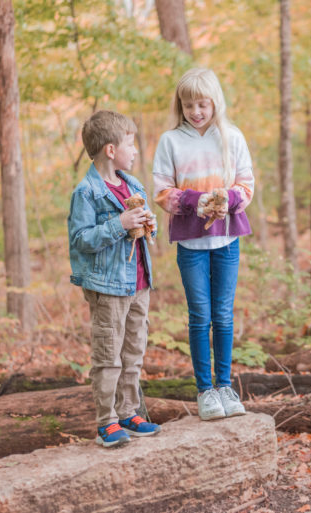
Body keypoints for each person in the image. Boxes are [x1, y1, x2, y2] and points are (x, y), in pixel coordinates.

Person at [153, 68, 254, 421]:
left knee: (223, 315)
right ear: (180, 105)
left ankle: (225, 385)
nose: (196, 111)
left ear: (215, 103)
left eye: (202, 104)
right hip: (191, 246)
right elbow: (162, 191)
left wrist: (229, 199)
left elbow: (246, 184)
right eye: (188, 104)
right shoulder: (171, 141)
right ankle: (205, 391)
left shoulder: (232, 137)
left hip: (226, 240)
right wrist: (194, 201)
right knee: (200, 316)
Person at [68, 110, 161, 447]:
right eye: (130, 143)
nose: (135, 150)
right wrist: (117, 224)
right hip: (108, 288)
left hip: (139, 282)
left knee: (134, 350)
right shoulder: (87, 193)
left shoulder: (133, 185)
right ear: (110, 149)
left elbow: (141, 233)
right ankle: (106, 422)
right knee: (109, 355)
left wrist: (147, 224)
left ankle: (129, 412)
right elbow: (80, 240)